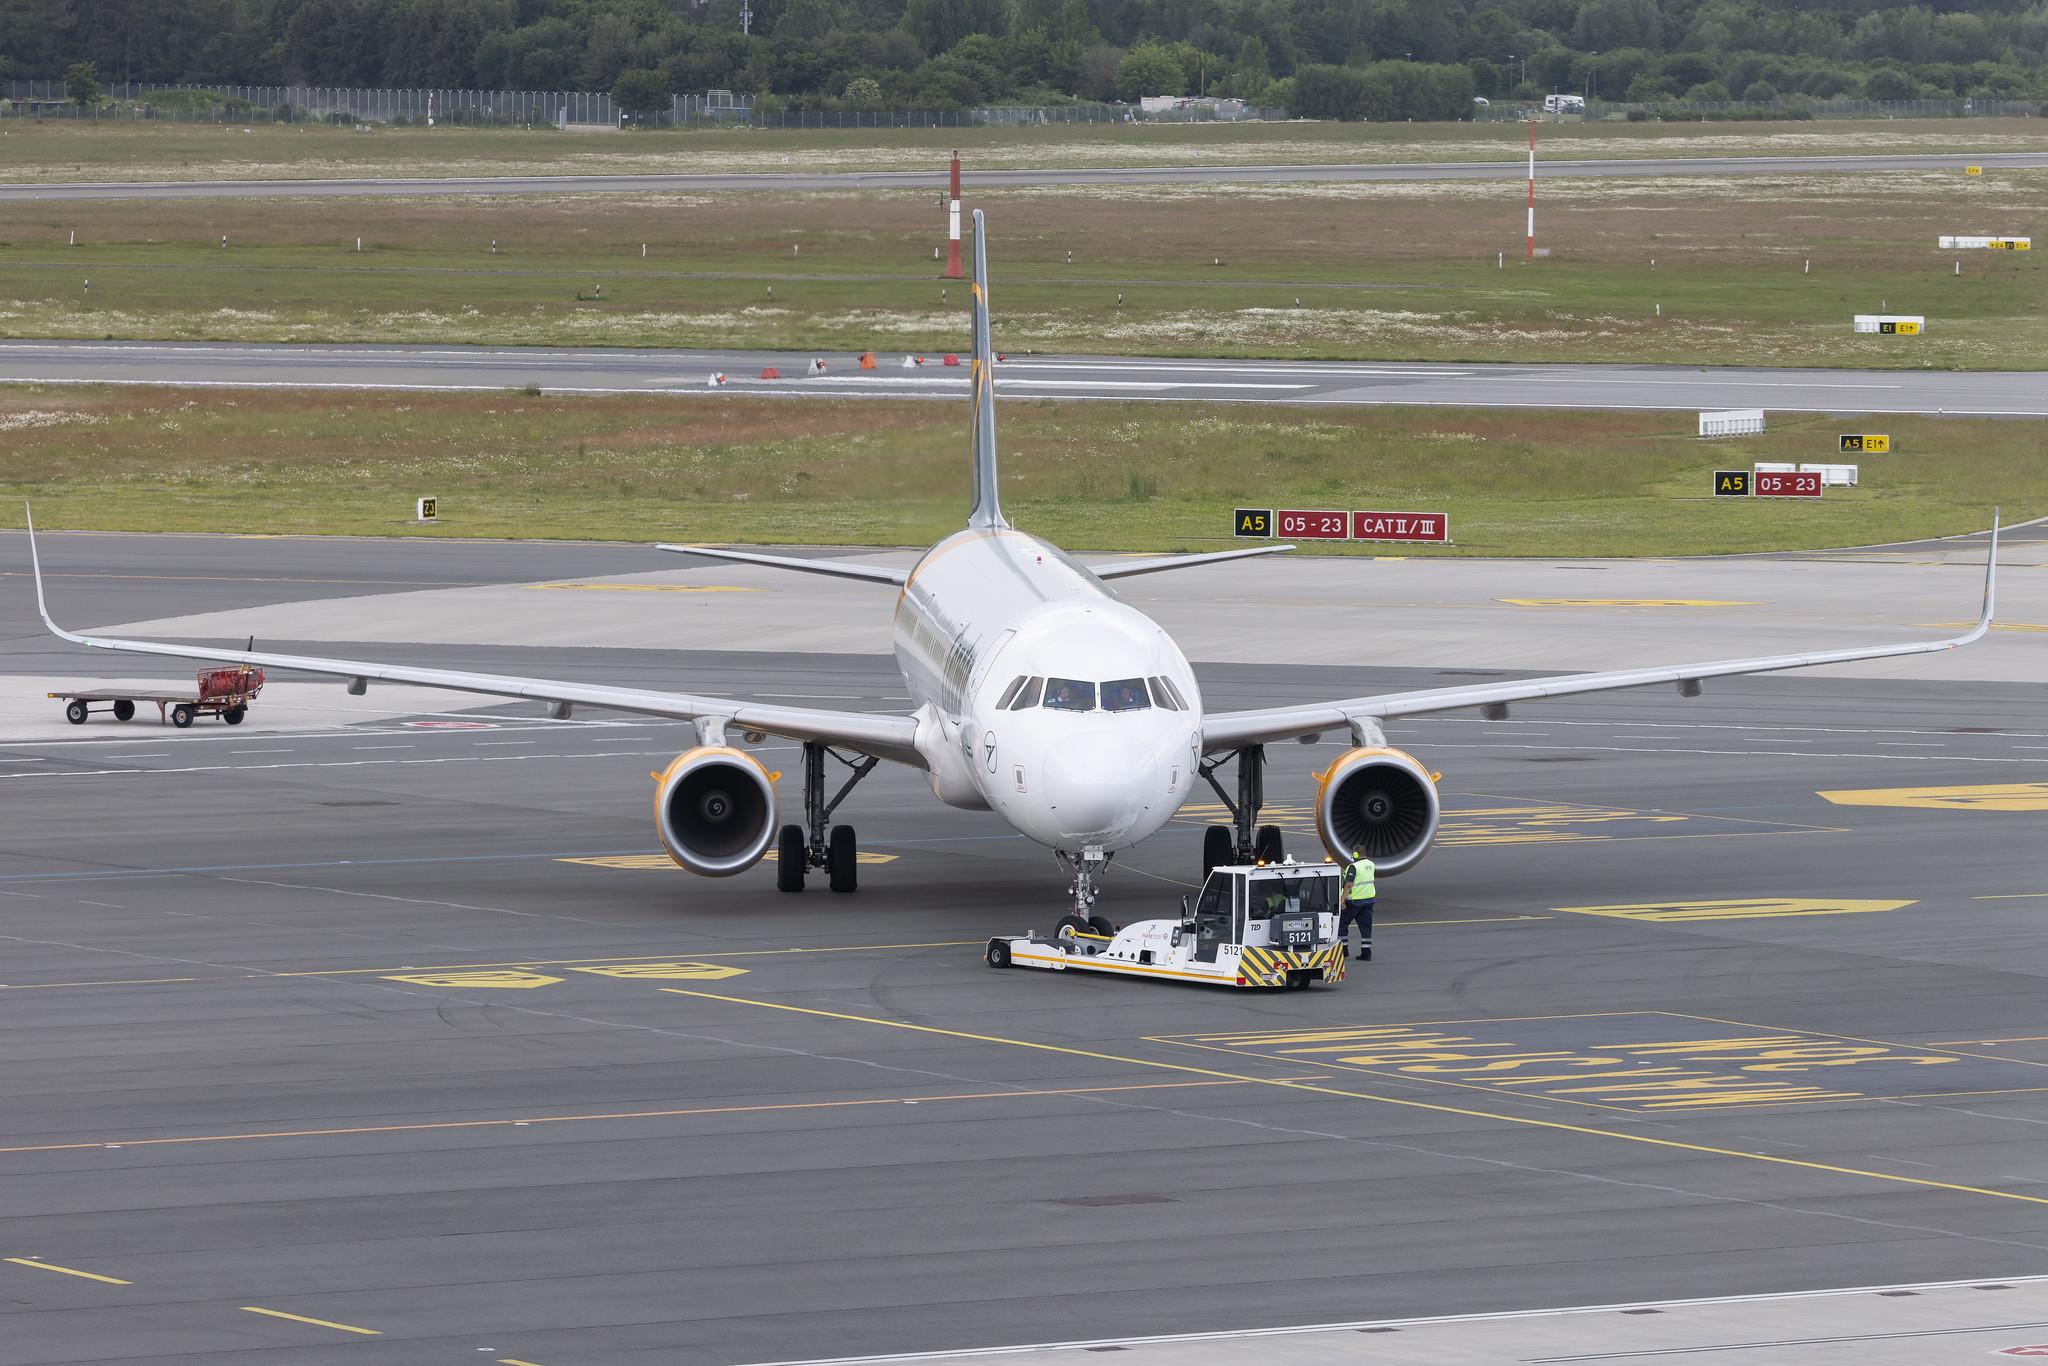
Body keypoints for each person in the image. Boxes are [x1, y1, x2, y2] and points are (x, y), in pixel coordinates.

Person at [1340, 850, 1376, 961]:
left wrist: (1342, 899)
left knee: (1342, 925)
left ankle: (1343, 951)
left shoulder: (1353, 867)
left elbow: (1349, 885)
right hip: (1368, 900)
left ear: (1355, 854)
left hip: (1354, 902)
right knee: (1365, 928)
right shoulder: (1371, 864)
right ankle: (1366, 953)